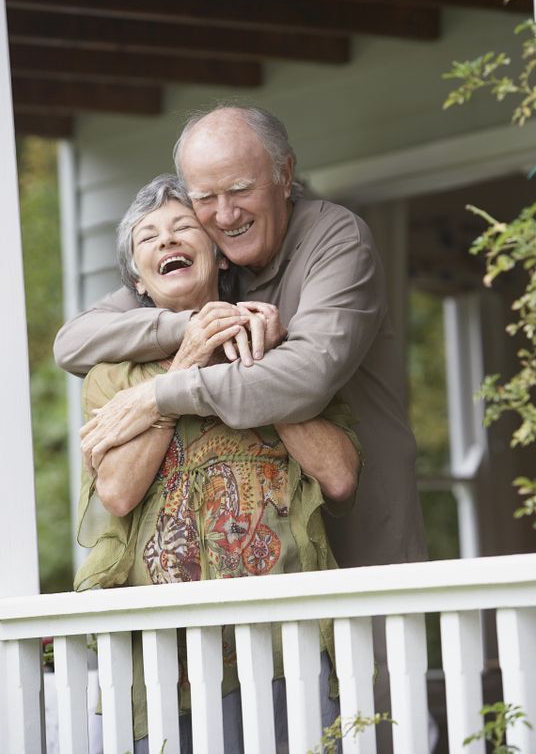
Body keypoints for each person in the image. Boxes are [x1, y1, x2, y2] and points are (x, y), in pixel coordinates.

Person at [55, 105, 426, 573]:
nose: (225, 214)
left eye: (240, 190)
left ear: (284, 174)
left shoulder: (336, 239)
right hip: (245, 575)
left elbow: (307, 378)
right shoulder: (209, 269)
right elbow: (72, 342)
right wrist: (194, 325)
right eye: (205, 198)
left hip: (364, 547)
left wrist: (160, 396)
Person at [75, 174, 361, 753]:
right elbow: (118, 494)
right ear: (138, 282)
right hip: (166, 657)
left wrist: (256, 370)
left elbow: (340, 475)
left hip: (286, 646)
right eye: (147, 238)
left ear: (219, 258)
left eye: (183, 228)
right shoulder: (113, 377)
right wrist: (185, 363)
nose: (166, 241)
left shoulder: (288, 353)